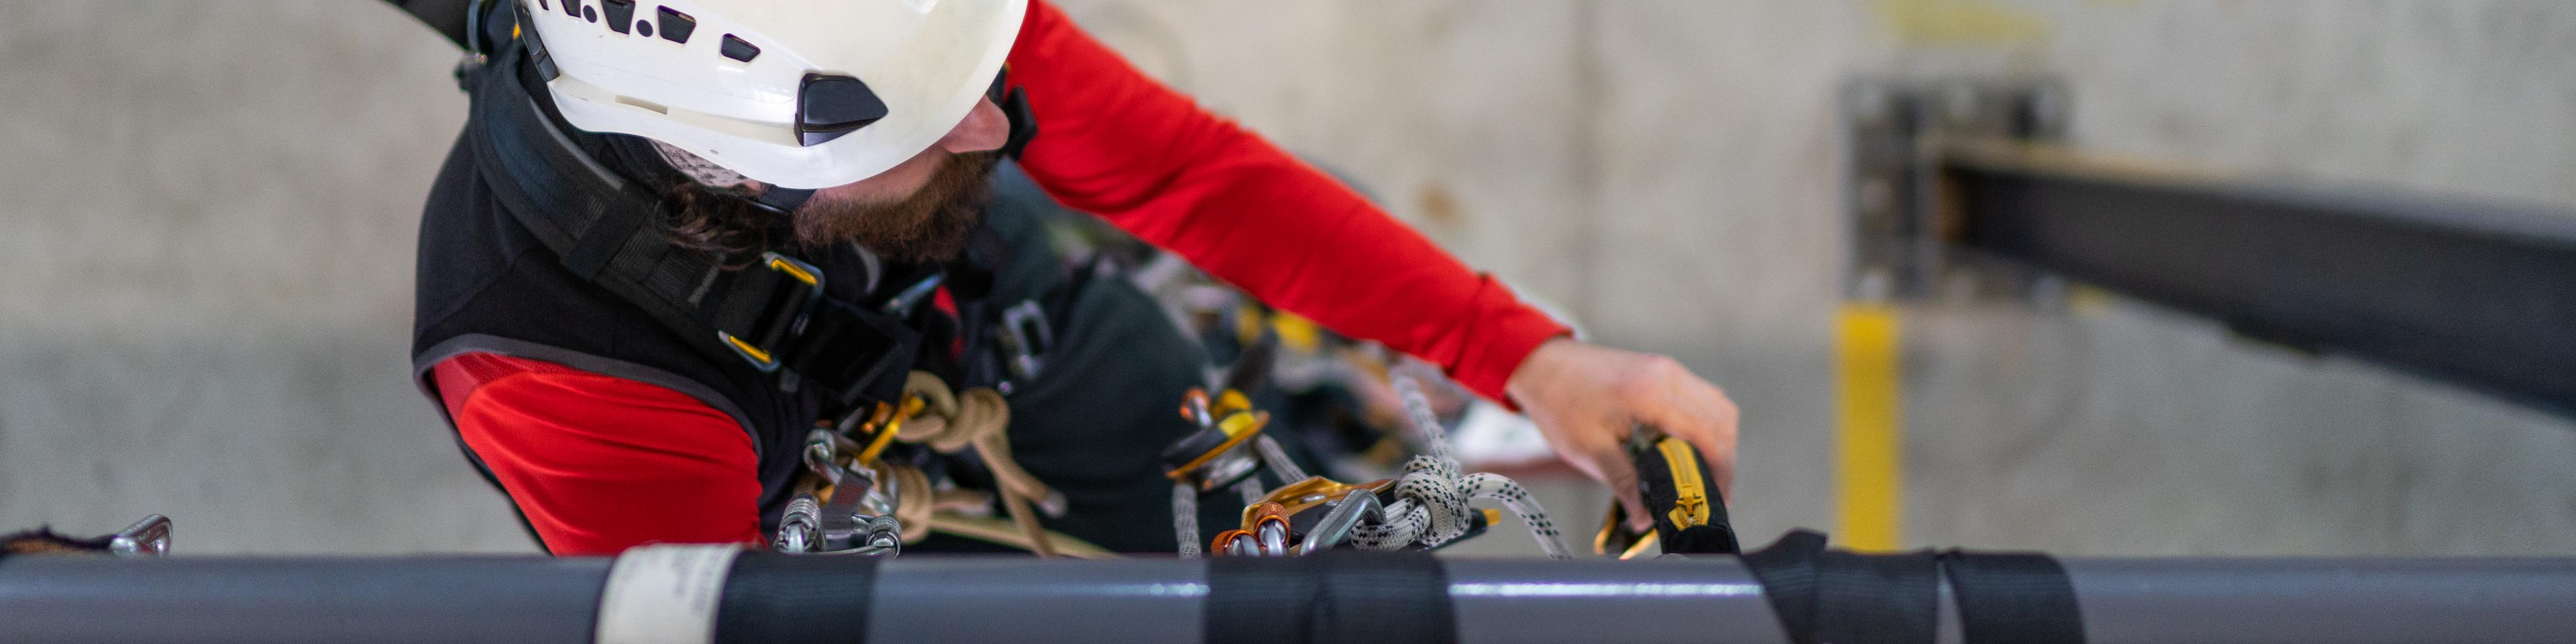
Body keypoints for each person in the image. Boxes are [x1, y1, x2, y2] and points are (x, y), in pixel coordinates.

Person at [409, 0, 1737, 555]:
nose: (1001, 125)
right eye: (932, 127)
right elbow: (704, 611)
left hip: (994, 321)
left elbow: (1185, 180)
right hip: (792, 490)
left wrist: (1532, 356)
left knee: (1218, 472)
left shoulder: (905, 36)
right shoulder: (558, 375)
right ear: (746, 168)